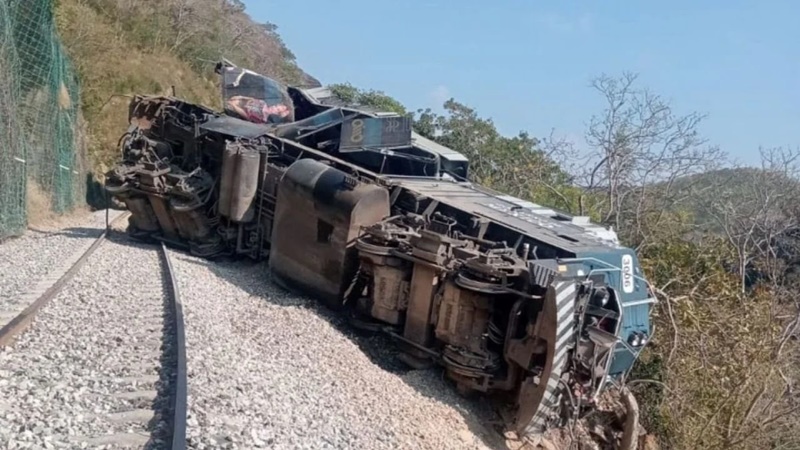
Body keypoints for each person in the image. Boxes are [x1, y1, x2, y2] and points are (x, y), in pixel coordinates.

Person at [225, 95, 292, 124]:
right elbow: (250, 99)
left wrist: (233, 105)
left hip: (234, 112)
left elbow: (246, 116)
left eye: (277, 110)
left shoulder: (263, 119)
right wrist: (240, 97)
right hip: (238, 103)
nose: (274, 107)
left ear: (276, 115)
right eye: (276, 106)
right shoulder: (263, 103)